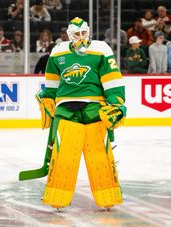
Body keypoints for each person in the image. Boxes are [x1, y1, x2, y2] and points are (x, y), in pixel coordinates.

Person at [34, 17, 126, 209]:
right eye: (77, 34)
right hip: (65, 107)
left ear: (89, 31)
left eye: (84, 33)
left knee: (99, 153)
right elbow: (51, 80)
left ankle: (107, 197)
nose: (81, 37)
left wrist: (116, 104)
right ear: (69, 35)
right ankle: (58, 198)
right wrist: (49, 98)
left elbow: (112, 78)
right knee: (63, 156)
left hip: (95, 107)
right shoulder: (58, 51)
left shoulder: (101, 48)